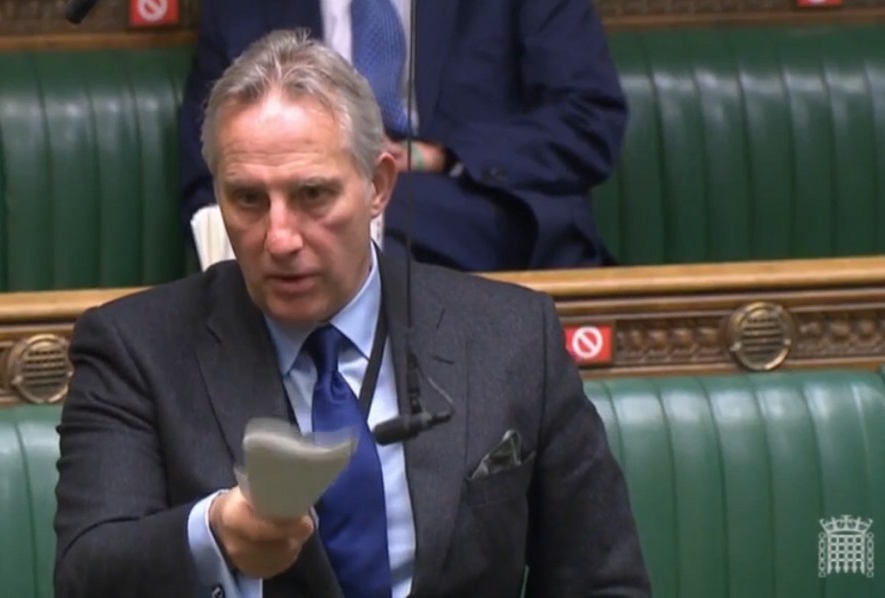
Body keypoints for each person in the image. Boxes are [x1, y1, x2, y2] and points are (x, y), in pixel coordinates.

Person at [55, 29, 648, 597]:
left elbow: (600, 581)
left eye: (312, 194)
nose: (280, 238)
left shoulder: (512, 337)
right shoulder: (135, 349)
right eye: (248, 199)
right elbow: (87, 575)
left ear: (378, 186)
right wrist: (213, 534)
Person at [179, 0, 627, 272]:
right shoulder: (243, 7)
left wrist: (440, 155)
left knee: (360, 229)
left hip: (481, 206)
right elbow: (207, 171)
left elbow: (588, 121)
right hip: (305, 211)